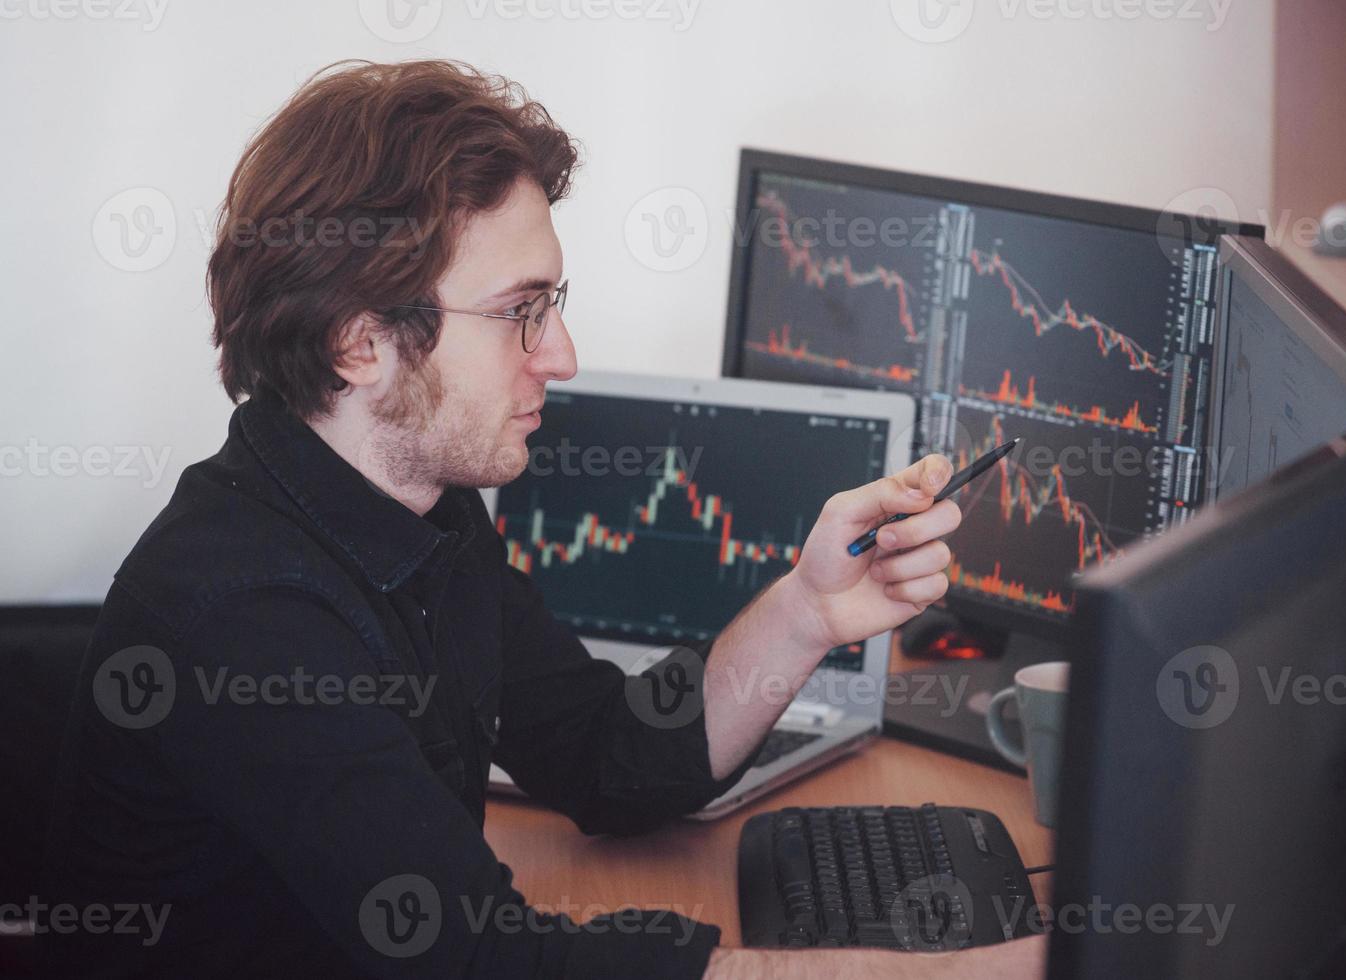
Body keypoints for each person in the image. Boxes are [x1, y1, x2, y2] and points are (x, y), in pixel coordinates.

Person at [41, 59, 1045, 978]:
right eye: (520, 309)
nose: (558, 354)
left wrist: (806, 611)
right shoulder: (236, 611)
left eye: (552, 301)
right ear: (358, 342)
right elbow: (492, 964)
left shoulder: (423, 506)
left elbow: (607, 755)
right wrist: (943, 972)